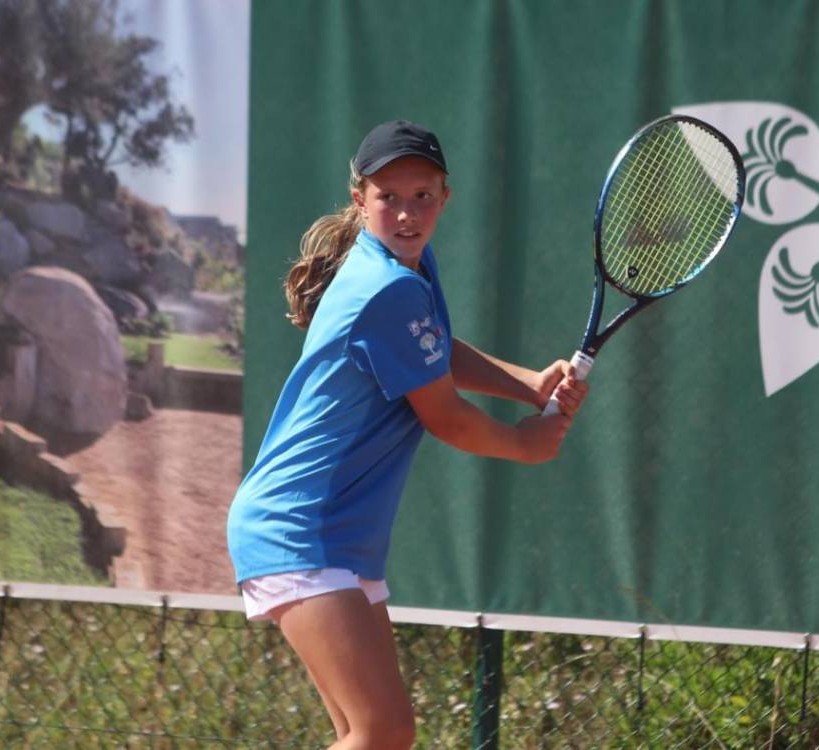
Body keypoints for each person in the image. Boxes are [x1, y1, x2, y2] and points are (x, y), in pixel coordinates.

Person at [226, 120, 588, 749]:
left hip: (338, 532)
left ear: (445, 198)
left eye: (422, 195)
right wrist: (522, 443)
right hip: (298, 526)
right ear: (361, 197)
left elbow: (434, 351)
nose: (406, 211)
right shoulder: (385, 286)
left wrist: (529, 383)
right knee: (382, 731)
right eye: (388, 196)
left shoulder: (407, 271)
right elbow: (444, 416)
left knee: (364, 734)